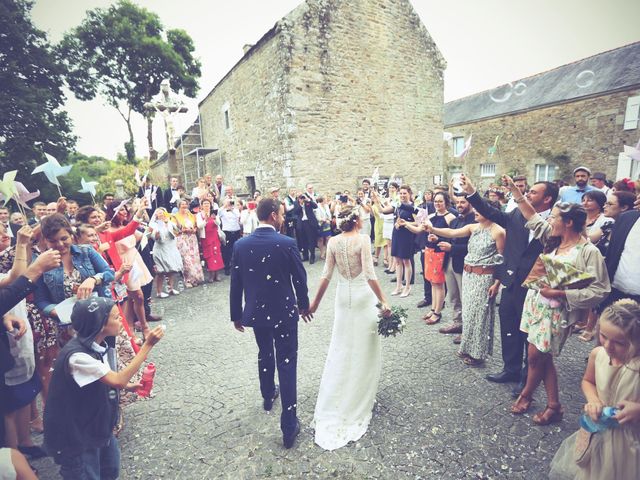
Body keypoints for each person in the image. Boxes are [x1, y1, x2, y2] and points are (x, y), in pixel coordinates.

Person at [505, 176, 610, 425]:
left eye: (553, 217)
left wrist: (562, 294)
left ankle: (526, 395)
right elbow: (531, 217)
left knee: (534, 357)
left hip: (556, 312)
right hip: (535, 304)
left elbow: (601, 289)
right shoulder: (552, 239)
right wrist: (516, 193)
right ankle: (554, 406)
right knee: (543, 357)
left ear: (569, 222)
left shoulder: (588, 252)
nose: (549, 221)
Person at [43, 297, 164, 479]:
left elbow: (104, 378)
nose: (121, 321)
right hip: (75, 437)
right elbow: (118, 380)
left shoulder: (97, 346)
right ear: (100, 326)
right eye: (116, 318)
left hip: (97, 426)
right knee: (87, 474)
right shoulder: (76, 356)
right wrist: (147, 345)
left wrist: (129, 386)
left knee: (110, 471)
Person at [461, 173, 558, 390]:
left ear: (547, 199)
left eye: (533, 191)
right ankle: (510, 369)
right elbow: (491, 212)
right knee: (509, 326)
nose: (528, 193)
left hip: (535, 287)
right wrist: (471, 192)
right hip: (511, 282)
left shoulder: (554, 222)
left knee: (528, 334)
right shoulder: (516, 214)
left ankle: (526, 378)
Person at [305, 206, 390, 450]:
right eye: (361, 218)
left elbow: (326, 275)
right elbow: (371, 274)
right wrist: (384, 300)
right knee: (364, 347)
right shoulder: (362, 240)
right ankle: (359, 397)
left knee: (342, 345)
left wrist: (314, 304)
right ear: (355, 221)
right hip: (362, 296)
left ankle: (341, 394)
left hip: (343, 297)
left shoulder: (332, 242)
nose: (364, 220)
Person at [229, 198, 310, 449]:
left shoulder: (241, 245)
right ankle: (288, 425)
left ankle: (267, 395)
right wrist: (304, 304)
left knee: (265, 353)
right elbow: (300, 277)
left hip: (256, 313)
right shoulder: (286, 243)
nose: (284, 218)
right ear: (273, 215)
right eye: (282, 214)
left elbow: (236, 281)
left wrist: (236, 314)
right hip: (284, 312)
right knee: (286, 363)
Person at [549, 299, 640, 480]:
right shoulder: (597, 355)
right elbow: (588, 381)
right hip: (598, 433)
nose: (607, 346)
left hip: (630, 441)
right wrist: (594, 400)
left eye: (619, 342)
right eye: (603, 336)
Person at [420, 203, 505, 365]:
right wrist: (432, 229)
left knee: (480, 316)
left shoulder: (498, 231)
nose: (475, 211)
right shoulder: (474, 227)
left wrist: (497, 283)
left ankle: (478, 354)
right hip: (468, 275)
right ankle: (467, 347)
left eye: (479, 209)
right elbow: (452, 232)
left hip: (484, 278)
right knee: (468, 313)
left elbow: (502, 260)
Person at [422, 191, 456, 321]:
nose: (437, 204)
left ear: (446, 202)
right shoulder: (430, 216)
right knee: (432, 282)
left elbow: (453, 237)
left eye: (440, 201)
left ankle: (438, 312)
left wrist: (438, 238)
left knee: (439, 283)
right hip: (430, 250)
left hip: (441, 252)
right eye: (436, 201)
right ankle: (433, 308)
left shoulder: (450, 217)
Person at [380, 185, 418, 298]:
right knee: (397, 261)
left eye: (404, 193)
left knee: (406, 261)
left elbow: (418, 223)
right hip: (396, 233)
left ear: (409, 194)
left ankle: (407, 286)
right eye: (400, 193)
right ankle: (398, 285)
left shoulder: (413, 207)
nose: (402, 195)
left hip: (407, 235)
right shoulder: (398, 206)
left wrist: (405, 223)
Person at [149, 208, 183, 296]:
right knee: (161, 272)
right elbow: (155, 238)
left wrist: (175, 218)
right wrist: (157, 233)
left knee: (171, 270)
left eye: (162, 213)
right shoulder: (153, 225)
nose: (161, 214)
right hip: (160, 249)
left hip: (171, 248)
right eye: (159, 213)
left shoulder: (170, 222)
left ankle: (170, 289)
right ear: (156, 215)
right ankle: (159, 292)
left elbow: (179, 230)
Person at [172, 199, 204, 287]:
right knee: (186, 259)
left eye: (185, 204)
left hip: (192, 239)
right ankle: (188, 280)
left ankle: (196, 278)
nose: (184, 206)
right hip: (182, 239)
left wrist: (194, 229)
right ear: (179, 205)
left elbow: (195, 226)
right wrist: (184, 230)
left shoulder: (190, 215)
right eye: (182, 204)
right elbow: (175, 229)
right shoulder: (175, 216)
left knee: (194, 258)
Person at [197, 199, 224, 283]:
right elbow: (199, 226)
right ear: (201, 205)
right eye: (204, 204)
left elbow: (218, 224)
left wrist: (215, 218)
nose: (206, 205)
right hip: (206, 237)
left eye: (208, 204)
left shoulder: (214, 212)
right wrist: (205, 219)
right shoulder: (199, 215)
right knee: (209, 255)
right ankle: (211, 274)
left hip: (214, 236)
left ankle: (217, 274)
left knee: (217, 254)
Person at [293, 193, 319, 264]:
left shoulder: (308, 201)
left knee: (311, 240)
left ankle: (312, 256)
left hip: (309, 223)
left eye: (302, 197)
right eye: (300, 197)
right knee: (303, 240)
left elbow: (315, 206)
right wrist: (301, 205)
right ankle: (305, 256)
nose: (302, 198)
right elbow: (295, 212)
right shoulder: (296, 203)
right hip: (301, 223)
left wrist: (308, 200)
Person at [218, 198, 242, 275]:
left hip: (236, 231)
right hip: (227, 232)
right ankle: (227, 267)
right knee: (227, 250)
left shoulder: (235, 210)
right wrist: (225, 205)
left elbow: (238, 216)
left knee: (236, 249)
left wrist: (232, 208)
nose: (229, 204)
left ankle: (236, 266)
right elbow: (218, 213)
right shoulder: (222, 211)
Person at [314, 196, 332, 260]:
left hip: (327, 224)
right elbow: (318, 218)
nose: (326, 201)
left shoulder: (326, 206)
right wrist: (325, 220)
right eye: (325, 199)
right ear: (322, 200)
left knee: (328, 238)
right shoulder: (317, 207)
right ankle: (322, 253)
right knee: (320, 239)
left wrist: (329, 219)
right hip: (320, 225)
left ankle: (328, 252)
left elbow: (329, 214)